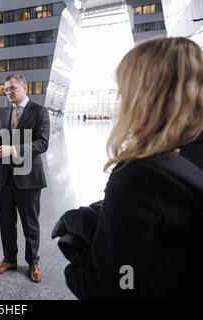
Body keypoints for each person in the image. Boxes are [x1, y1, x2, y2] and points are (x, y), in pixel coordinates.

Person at [55, 37, 203, 299]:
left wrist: (76, 262)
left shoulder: (138, 173)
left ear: (142, 96)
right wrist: (106, 212)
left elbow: (113, 284)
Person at [0, 73, 50, 283]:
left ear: (24, 88)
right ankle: (9, 258)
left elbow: (42, 143)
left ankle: (33, 262)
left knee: (30, 223)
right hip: (5, 177)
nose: (8, 92)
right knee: (6, 222)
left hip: (29, 176)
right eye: (6, 89)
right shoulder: (3, 114)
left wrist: (14, 149)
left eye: (12, 88)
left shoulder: (40, 112)